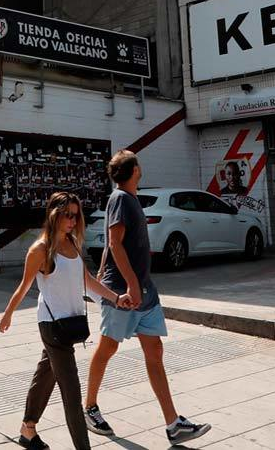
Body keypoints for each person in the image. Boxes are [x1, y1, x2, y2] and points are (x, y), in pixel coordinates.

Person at [83, 150, 211, 445]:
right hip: (126, 293)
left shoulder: (130, 199)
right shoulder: (120, 199)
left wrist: (117, 277)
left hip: (145, 292)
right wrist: (126, 285)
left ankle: (173, 423)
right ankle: (89, 407)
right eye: (138, 161)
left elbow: (109, 244)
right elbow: (114, 243)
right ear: (135, 170)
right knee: (107, 348)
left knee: (154, 353)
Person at [0, 192, 131, 450]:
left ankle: (28, 429)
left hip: (69, 323)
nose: (72, 220)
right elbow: (24, 287)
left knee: (45, 375)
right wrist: (8, 314)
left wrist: (116, 298)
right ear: (54, 214)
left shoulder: (72, 243)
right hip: (52, 326)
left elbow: (88, 281)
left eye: (75, 215)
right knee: (71, 391)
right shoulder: (40, 250)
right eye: (67, 215)